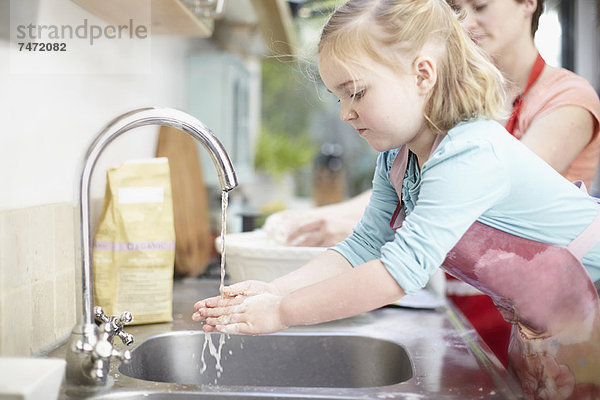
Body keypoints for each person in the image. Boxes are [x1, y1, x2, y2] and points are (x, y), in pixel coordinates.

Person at [194, 0, 600, 398]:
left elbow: (398, 273)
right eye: (339, 97)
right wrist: (273, 292)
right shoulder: (399, 158)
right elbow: (362, 247)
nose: (344, 114)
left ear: (423, 75)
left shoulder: (470, 152)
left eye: (356, 92)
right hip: (545, 321)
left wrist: (281, 314)